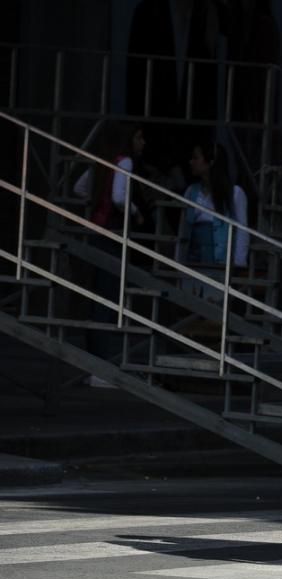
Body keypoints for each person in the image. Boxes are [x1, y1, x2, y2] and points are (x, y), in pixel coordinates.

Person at [72, 122, 147, 386]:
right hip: (112, 232)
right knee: (107, 299)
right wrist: (135, 211)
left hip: (96, 230)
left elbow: (79, 188)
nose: (142, 143)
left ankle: (95, 364)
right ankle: (100, 367)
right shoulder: (125, 162)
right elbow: (118, 197)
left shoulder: (103, 161)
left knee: (98, 299)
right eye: (139, 137)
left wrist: (94, 203)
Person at [176, 141, 250, 300]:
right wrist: (178, 262)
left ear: (210, 162)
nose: (191, 162)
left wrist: (238, 263)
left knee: (215, 308)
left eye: (196, 158)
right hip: (193, 260)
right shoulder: (191, 192)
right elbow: (183, 230)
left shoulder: (235, 193)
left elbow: (243, 230)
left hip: (220, 261)